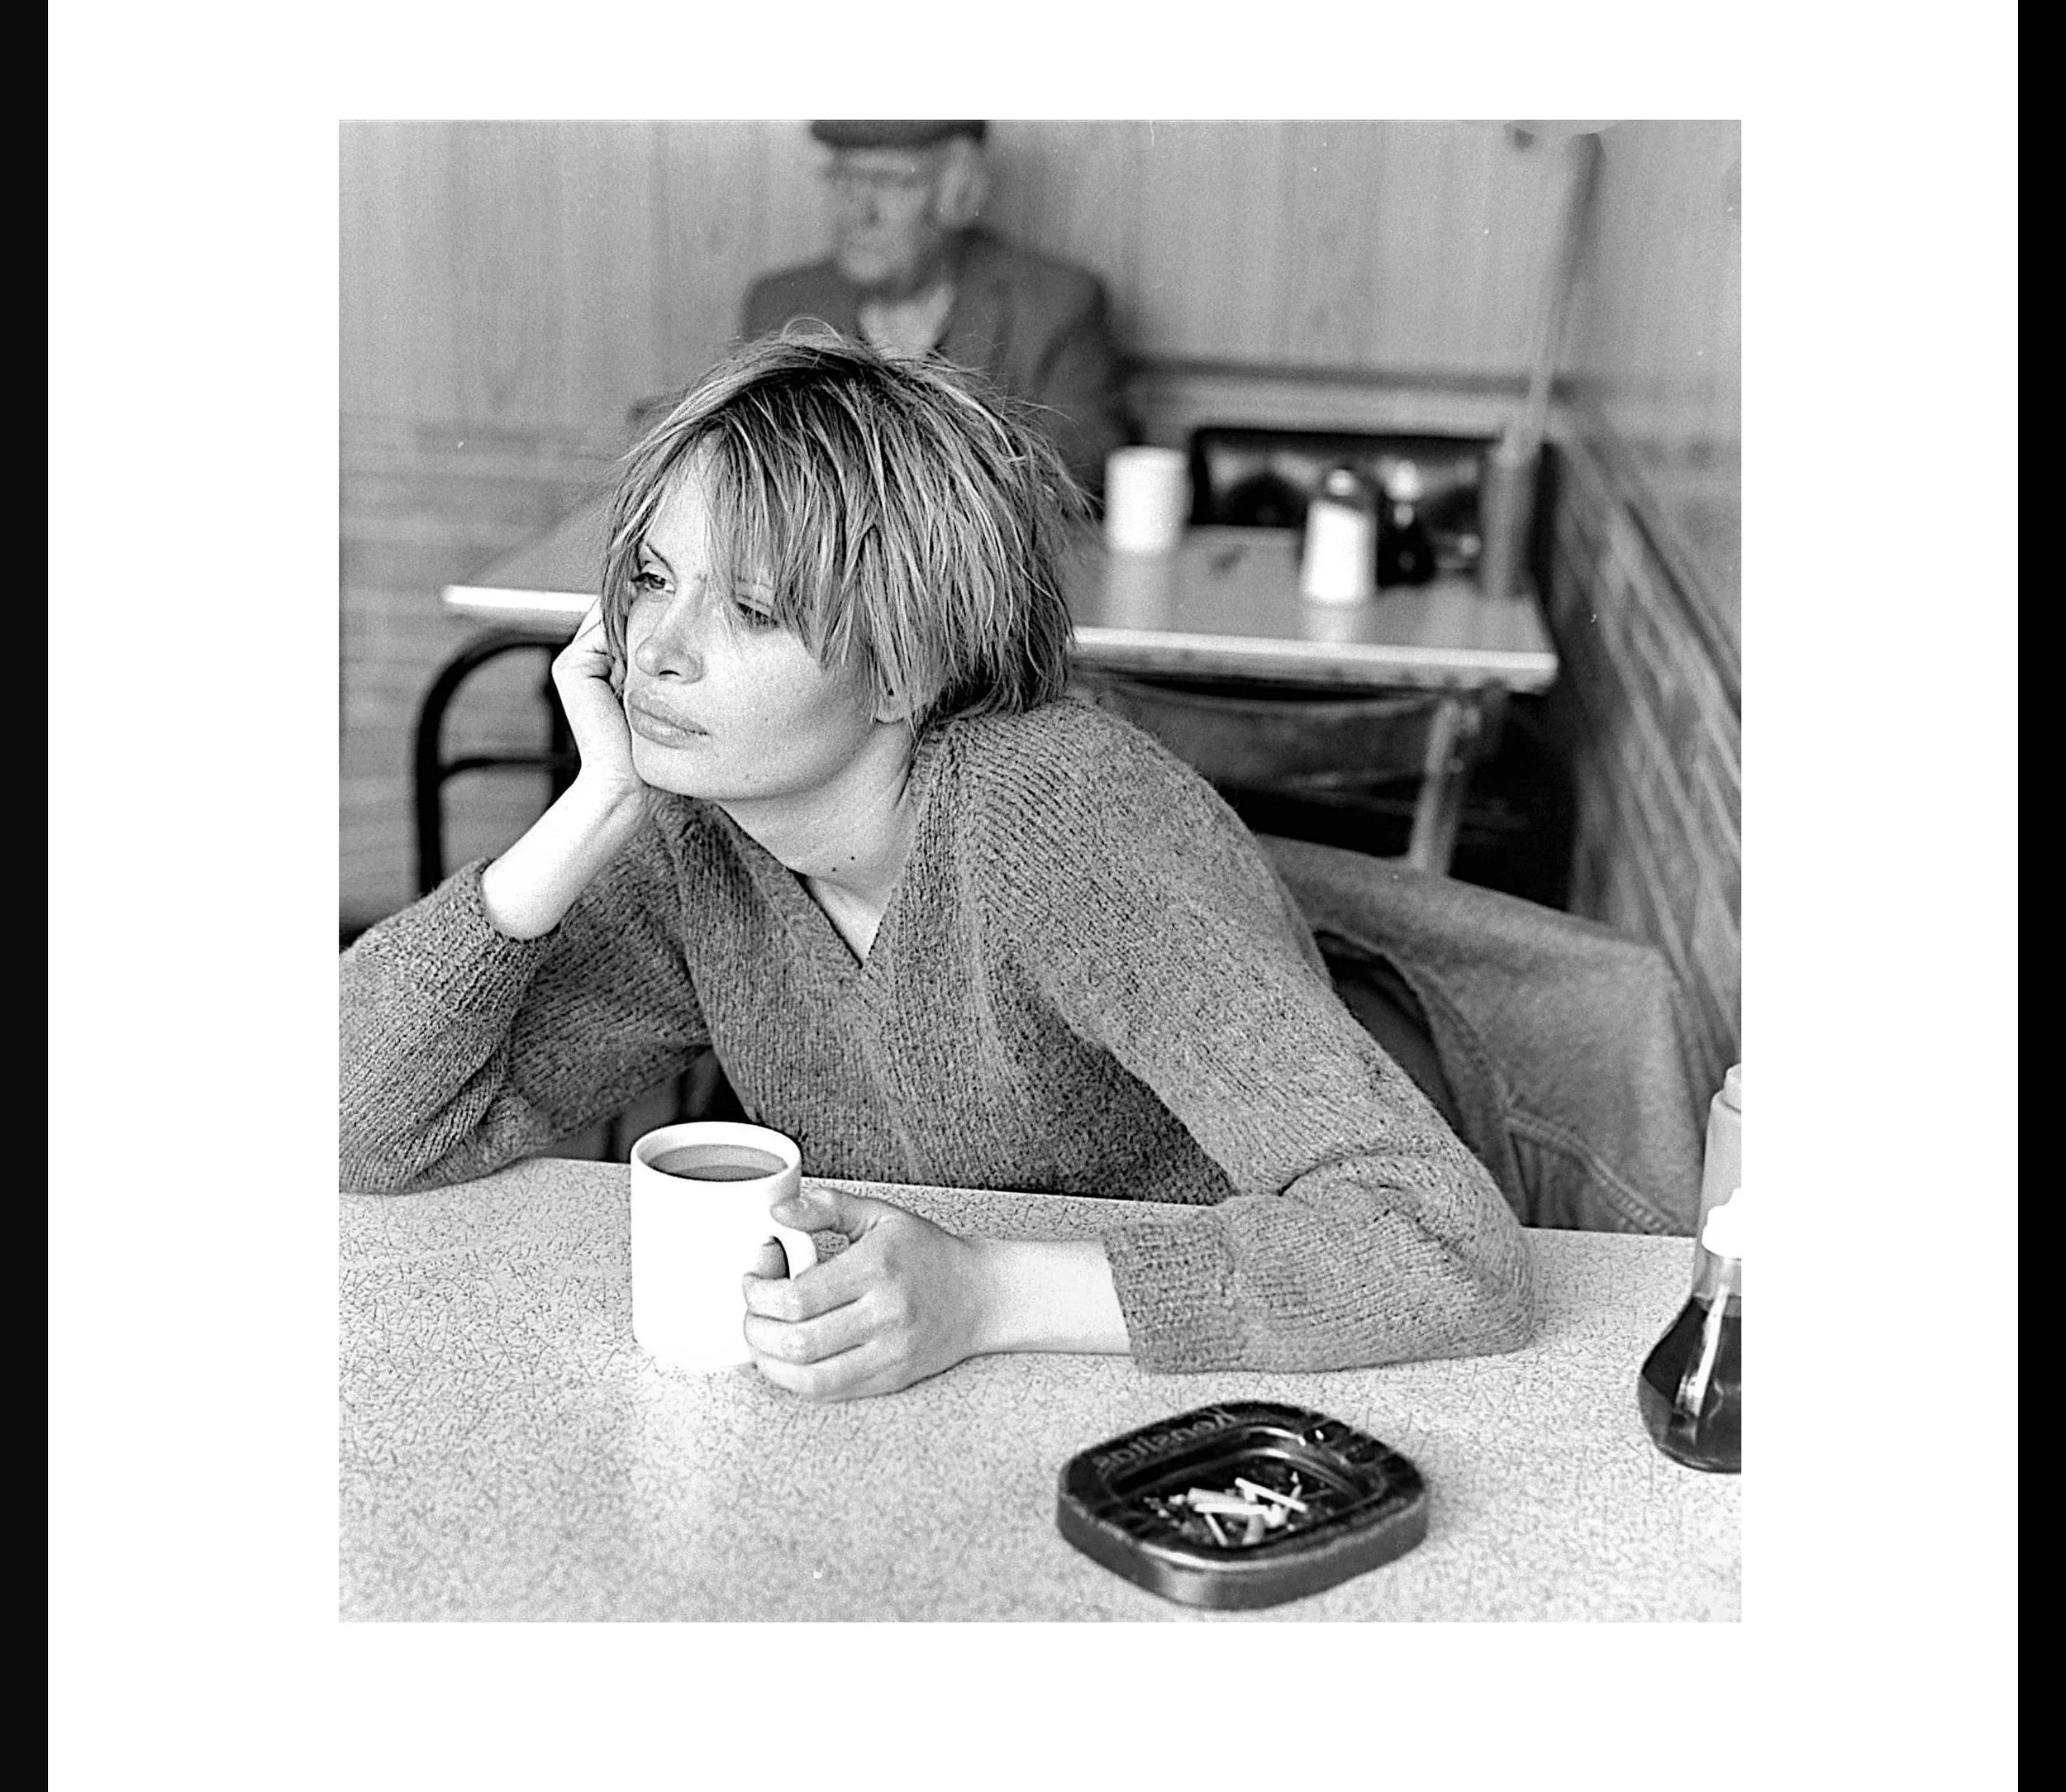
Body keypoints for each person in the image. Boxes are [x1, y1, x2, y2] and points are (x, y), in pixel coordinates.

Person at [340, 333, 1537, 1401]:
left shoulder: (1057, 818)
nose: (657, 645)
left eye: (751, 606)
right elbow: (354, 1125)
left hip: (1208, 1407)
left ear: (906, 669)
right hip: (936, 1414)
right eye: (651, 577)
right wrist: (587, 808)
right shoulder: (695, 835)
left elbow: (1442, 1245)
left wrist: (986, 1293)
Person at [740, 120, 1131, 498]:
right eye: (844, 180)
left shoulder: (1058, 302)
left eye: (890, 183)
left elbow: (1083, 466)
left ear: (957, 193)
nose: (858, 213)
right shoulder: (778, 305)